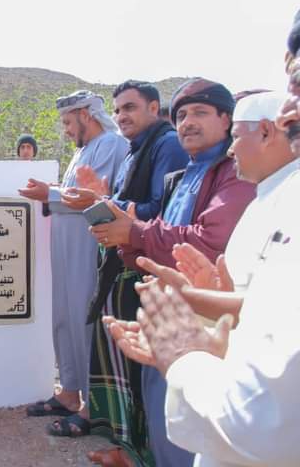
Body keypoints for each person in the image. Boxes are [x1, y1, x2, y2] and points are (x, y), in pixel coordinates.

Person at [89, 78, 256, 466]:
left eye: (200, 113)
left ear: (226, 119)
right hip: (165, 307)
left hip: (203, 316)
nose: (188, 123)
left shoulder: (232, 171)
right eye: (181, 115)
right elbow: (159, 235)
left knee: (188, 417)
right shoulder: (185, 174)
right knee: (161, 406)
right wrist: (125, 238)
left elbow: (210, 240)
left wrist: (134, 231)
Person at [59, 81, 186, 465]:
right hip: (123, 263)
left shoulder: (165, 145)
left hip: (146, 268)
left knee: (143, 371)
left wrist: (105, 201)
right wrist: (104, 200)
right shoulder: (136, 149)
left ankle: (145, 454)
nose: (122, 116)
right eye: (118, 109)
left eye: (130, 107)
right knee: (125, 367)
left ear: (153, 108)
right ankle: (129, 449)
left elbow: (158, 208)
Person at [19, 90, 128, 437]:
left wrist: (48, 194)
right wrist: (50, 189)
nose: (66, 129)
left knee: (83, 318)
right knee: (64, 315)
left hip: (87, 243)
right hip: (65, 245)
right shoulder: (82, 150)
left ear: (85, 114)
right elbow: (71, 192)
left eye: (68, 122)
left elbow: (89, 198)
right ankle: (68, 391)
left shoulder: (111, 144)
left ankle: (91, 404)